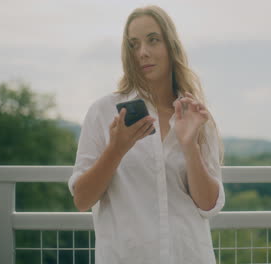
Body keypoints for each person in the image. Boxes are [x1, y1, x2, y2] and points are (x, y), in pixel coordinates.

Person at [68, 5, 225, 264]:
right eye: (134, 44)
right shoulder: (103, 112)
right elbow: (82, 199)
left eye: (153, 40)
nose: (143, 53)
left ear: (170, 45)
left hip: (189, 256)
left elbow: (208, 205)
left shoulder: (194, 115)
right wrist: (116, 149)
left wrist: (189, 145)